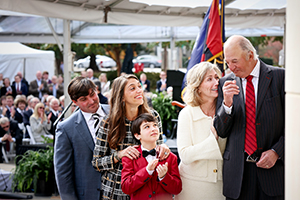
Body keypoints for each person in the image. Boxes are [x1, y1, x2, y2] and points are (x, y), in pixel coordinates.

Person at [214, 35, 284, 200]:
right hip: (238, 175)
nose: (231, 67)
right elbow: (221, 131)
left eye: (235, 61)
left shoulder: (280, 77)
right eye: (227, 62)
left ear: (251, 55)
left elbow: (295, 125)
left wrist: (277, 152)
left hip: (273, 173)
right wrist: (227, 105)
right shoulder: (225, 83)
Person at [92, 74, 170, 200]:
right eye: (132, 88)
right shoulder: (109, 122)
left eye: (139, 86)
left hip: (147, 190)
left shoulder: (153, 117)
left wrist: (163, 148)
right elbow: (96, 163)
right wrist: (119, 155)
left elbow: (159, 149)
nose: (139, 90)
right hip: (116, 192)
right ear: (121, 96)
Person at [175, 62, 226, 200]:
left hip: (222, 185)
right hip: (192, 186)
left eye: (217, 77)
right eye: (209, 79)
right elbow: (185, 155)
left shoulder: (226, 112)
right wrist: (212, 141)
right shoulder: (187, 114)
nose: (216, 82)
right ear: (197, 88)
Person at [54, 77, 110, 200]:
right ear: (75, 102)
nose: (91, 101)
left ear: (97, 90)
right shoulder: (66, 128)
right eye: (84, 99)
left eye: (92, 94)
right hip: (88, 195)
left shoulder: (116, 113)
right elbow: (63, 173)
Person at [121, 113, 182, 200]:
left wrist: (164, 177)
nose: (153, 129)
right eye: (147, 127)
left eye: (155, 125)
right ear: (137, 135)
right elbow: (126, 188)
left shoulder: (170, 157)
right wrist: (146, 171)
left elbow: (177, 189)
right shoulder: (129, 157)